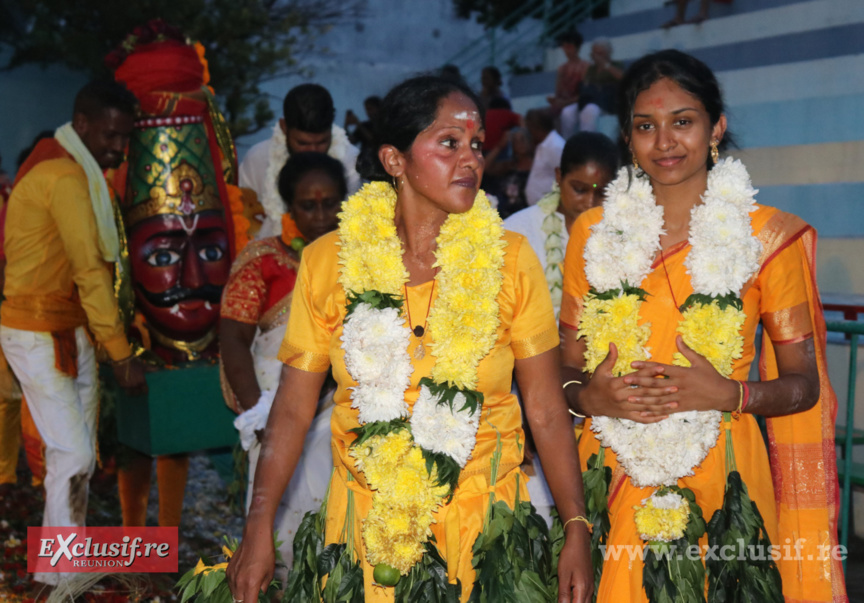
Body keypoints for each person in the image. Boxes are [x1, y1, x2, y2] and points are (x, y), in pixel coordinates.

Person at [227, 75, 593, 603]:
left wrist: (575, 526)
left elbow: (544, 408)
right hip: (367, 537)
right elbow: (290, 410)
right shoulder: (330, 261)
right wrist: (259, 525)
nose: (469, 159)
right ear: (395, 160)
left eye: (476, 146)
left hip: (487, 533)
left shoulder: (511, 259)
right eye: (449, 143)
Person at [560, 50, 846, 602]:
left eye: (682, 122)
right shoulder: (595, 235)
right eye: (647, 126)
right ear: (627, 137)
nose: (664, 142)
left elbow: (803, 385)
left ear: (716, 127)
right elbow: (565, 364)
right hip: (610, 472)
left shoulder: (767, 238)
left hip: (725, 479)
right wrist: (588, 397)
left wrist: (729, 393)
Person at [0, 79, 147, 590]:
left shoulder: (81, 174)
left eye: (125, 138)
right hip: (36, 331)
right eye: (110, 135)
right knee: (76, 454)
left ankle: (58, 568)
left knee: (74, 454)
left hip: (71, 330)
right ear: (81, 125)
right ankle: (64, 570)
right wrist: (121, 352)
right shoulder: (64, 176)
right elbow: (90, 269)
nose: (118, 148)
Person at [220, 152, 346, 566]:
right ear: (289, 207)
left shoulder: (359, 261)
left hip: (339, 408)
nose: (322, 215)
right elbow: (234, 339)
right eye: (308, 206)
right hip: (274, 404)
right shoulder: (262, 261)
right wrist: (258, 412)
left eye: (331, 203)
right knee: (277, 533)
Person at [505, 131, 618, 317]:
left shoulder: (624, 236)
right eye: (580, 190)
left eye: (601, 193)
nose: (590, 203)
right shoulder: (518, 231)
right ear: (559, 177)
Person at [238, 83, 361, 240]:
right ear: (284, 127)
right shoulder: (258, 159)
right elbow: (245, 222)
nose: (313, 151)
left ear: (330, 130)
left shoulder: (350, 162)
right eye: (302, 143)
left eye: (322, 142)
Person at [564, 39, 623, 135]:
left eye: (600, 53)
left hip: (606, 102)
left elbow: (623, 78)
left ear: (608, 52)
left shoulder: (616, 65)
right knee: (567, 112)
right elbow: (585, 87)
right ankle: (567, 144)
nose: (597, 56)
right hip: (589, 99)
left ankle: (586, 144)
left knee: (589, 110)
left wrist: (605, 65)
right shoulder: (591, 69)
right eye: (595, 53)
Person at [547, 30, 589, 134]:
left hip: (577, 102)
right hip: (563, 102)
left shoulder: (585, 66)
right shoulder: (562, 68)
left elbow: (585, 93)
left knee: (566, 113)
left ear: (577, 47)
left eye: (569, 47)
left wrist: (564, 103)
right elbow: (558, 92)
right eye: (564, 47)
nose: (566, 51)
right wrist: (555, 100)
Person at [524, 108, 565, 206]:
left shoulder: (555, 146)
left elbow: (563, 177)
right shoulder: (544, 144)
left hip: (550, 206)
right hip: (540, 206)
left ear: (536, 128)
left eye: (529, 128)